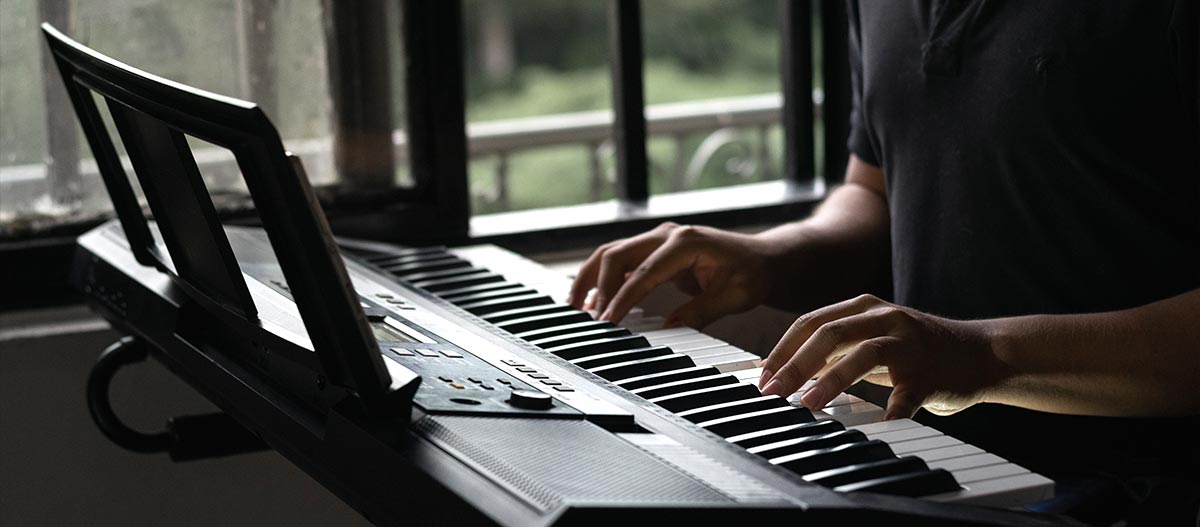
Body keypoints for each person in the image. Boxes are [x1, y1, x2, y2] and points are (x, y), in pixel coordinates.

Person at [568, 1, 1198, 524]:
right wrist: (770, 257)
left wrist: (983, 354)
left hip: (1137, 486)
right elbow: (872, 190)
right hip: (919, 453)